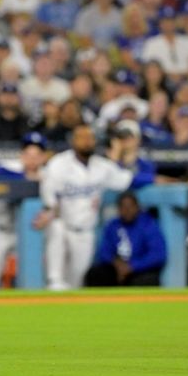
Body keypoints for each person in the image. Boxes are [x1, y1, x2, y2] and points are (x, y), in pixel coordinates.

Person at [32, 124, 137, 291]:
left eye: (90, 138)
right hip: (62, 227)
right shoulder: (59, 164)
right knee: (56, 278)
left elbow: (128, 180)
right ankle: (54, 279)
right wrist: (51, 210)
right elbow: (49, 197)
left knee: (77, 282)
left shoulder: (102, 166)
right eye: (82, 137)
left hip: (86, 231)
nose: (87, 141)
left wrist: (165, 180)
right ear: (73, 141)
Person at [0, 132, 47, 291]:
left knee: (32, 282)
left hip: (21, 234)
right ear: (21, 155)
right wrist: (27, 179)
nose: (32, 159)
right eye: (28, 154)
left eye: (37, 155)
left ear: (43, 157)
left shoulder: (47, 175)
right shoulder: (6, 166)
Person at [85, 191, 167, 287]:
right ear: (118, 209)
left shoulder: (148, 224)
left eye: (130, 206)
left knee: (148, 280)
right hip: (117, 268)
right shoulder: (113, 225)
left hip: (139, 270)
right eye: (123, 207)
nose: (127, 210)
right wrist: (116, 264)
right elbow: (104, 251)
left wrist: (133, 266)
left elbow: (158, 255)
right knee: (95, 274)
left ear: (137, 207)